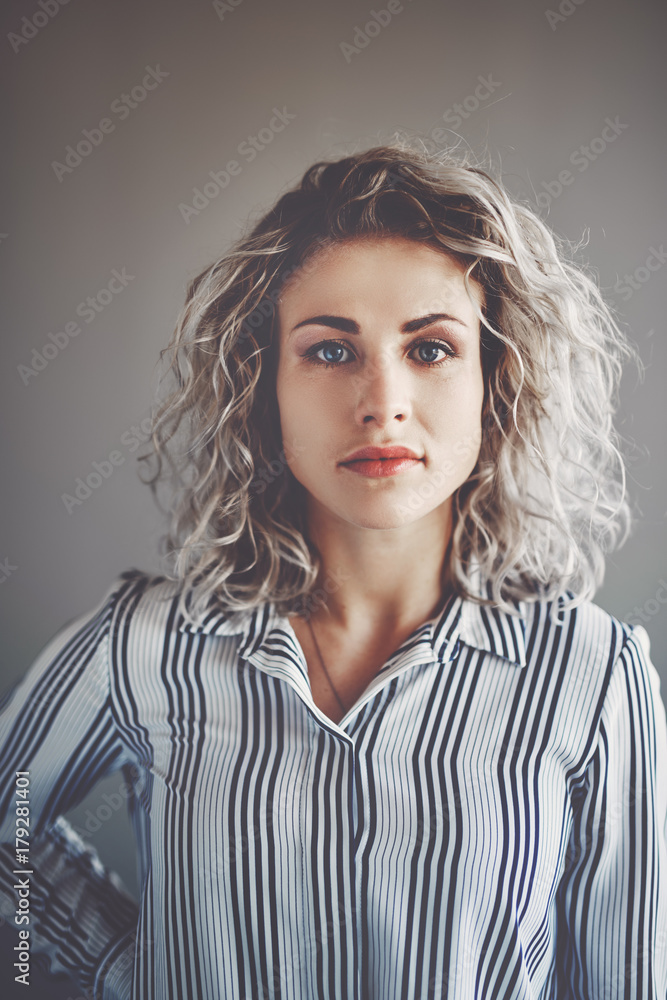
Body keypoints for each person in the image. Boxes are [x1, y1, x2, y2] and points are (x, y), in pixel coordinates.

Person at [0, 144, 666, 999]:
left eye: (430, 350)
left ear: (493, 382)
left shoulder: (590, 674)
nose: (381, 400)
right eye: (328, 350)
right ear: (262, 383)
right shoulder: (145, 645)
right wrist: (122, 966)